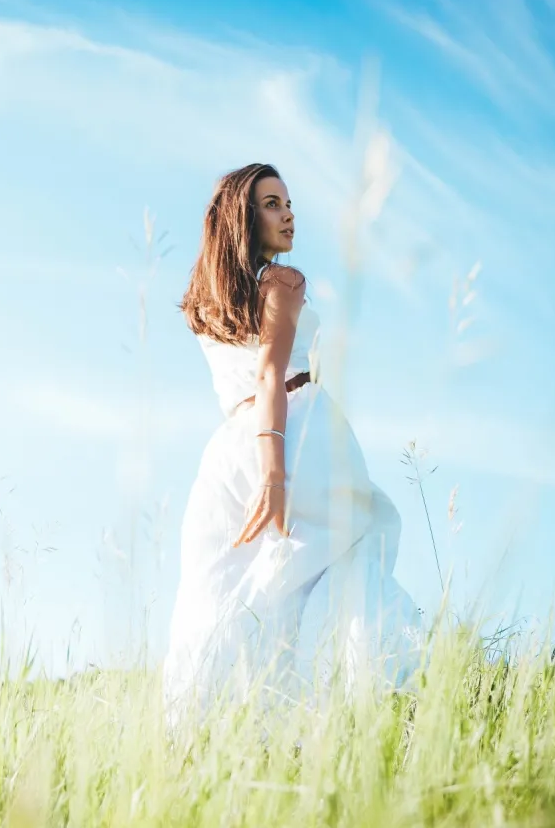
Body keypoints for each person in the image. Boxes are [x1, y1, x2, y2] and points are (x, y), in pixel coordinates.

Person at [162, 162, 424, 723]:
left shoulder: (206, 305)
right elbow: (270, 376)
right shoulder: (283, 282)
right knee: (340, 566)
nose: (289, 214)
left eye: (287, 203)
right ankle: (359, 699)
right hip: (292, 432)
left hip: (229, 452)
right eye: (273, 203)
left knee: (241, 590)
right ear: (243, 216)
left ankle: (240, 721)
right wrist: (275, 473)